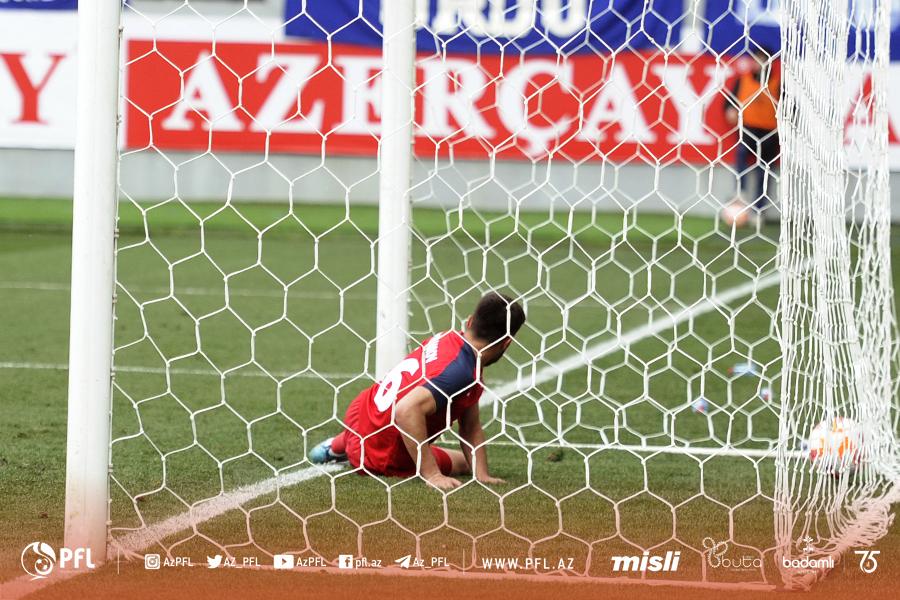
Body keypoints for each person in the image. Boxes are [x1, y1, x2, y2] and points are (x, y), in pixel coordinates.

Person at [309, 292, 526, 491]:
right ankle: (351, 448)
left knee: (470, 461)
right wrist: (432, 474)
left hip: (361, 414)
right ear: (506, 343)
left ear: (469, 321)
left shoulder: (449, 338)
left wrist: (482, 475)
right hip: (382, 455)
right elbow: (405, 410)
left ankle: (337, 445)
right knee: (462, 463)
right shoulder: (461, 372)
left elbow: (470, 426)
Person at [724, 46, 781, 221]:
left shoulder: (778, 83)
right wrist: (730, 110)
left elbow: (789, 108)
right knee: (741, 156)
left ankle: (759, 210)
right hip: (747, 129)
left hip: (769, 133)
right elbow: (729, 102)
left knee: (764, 171)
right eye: (757, 58)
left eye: (764, 59)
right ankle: (740, 192)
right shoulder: (743, 80)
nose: (760, 62)